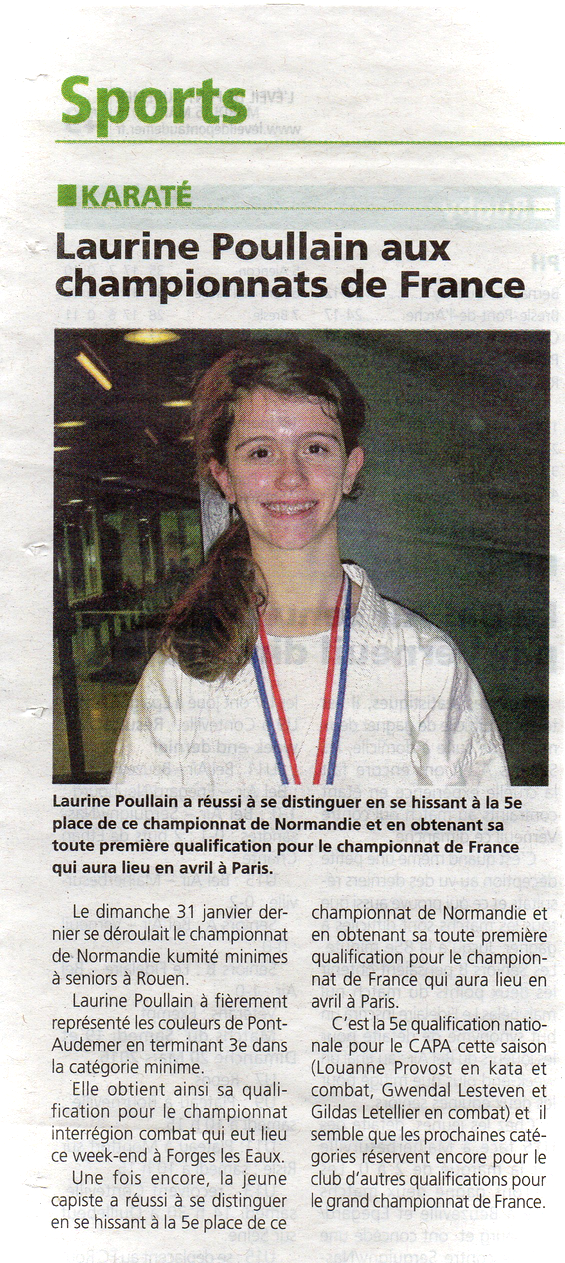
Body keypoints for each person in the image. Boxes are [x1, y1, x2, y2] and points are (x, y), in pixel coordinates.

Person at [112, 338, 510, 788]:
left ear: (350, 468)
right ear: (225, 478)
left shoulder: (424, 661)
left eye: (315, 448)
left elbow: (483, 827)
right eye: (261, 452)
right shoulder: (180, 675)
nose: (291, 477)